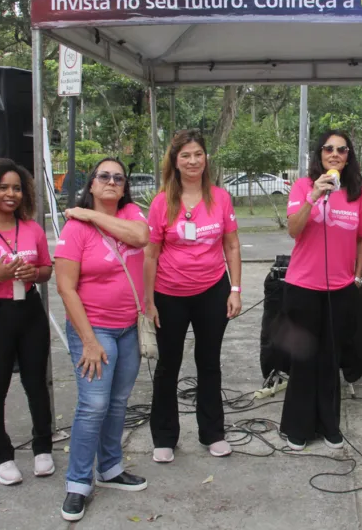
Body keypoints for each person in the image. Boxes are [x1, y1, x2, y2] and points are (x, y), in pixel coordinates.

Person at [54, 157, 150, 521]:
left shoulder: (129, 217)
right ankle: (77, 482)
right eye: (103, 176)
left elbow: (142, 238)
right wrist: (89, 341)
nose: (111, 181)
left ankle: (110, 468)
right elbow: (65, 287)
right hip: (93, 330)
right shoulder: (73, 231)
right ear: (91, 183)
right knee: (93, 405)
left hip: (128, 328)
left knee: (119, 401)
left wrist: (90, 214)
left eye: (118, 178)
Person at [145, 130, 242, 464]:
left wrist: (235, 289)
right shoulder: (161, 202)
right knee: (168, 366)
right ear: (175, 161)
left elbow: (231, 245)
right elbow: (151, 255)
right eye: (185, 155)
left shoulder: (220, 198)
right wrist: (149, 301)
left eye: (198, 154)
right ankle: (164, 437)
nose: (192, 161)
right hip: (169, 294)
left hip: (212, 291)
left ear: (206, 159)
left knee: (209, 363)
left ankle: (213, 433)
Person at [280, 130, 362, 450]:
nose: (335, 154)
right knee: (304, 358)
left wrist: (358, 276)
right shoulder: (304, 186)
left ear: (349, 157)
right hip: (303, 287)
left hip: (341, 288)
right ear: (319, 155)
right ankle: (298, 426)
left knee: (330, 357)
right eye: (328, 149)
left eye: (342, 150)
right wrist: (313, 197)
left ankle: (330, 424)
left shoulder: (357, 194)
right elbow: (294, 229)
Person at [0, 159, 55, 486]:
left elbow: (47, 268)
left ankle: (43, 447)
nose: (10, 193)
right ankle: (1, 455)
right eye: (3, 187)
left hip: (30, 311)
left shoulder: (32, 228)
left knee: (36, 382)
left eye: (16, 187)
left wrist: (35, 274)